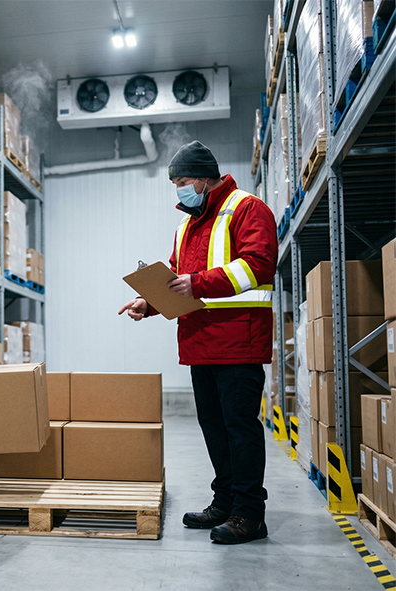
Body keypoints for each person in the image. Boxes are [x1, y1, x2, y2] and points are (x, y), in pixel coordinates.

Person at [119, 140, 277, 545]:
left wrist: (199, 282)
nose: (179, 191)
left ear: (206, 179)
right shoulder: (186, 225)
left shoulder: (247, 208)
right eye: (175, 184)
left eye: (183, 182)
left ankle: (249, 514)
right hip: (199, 343)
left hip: (239, 340)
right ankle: (224, 502)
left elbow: (258, 265)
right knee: (214, 427)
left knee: (239, 427)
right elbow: (179, 282)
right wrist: (148, 302)